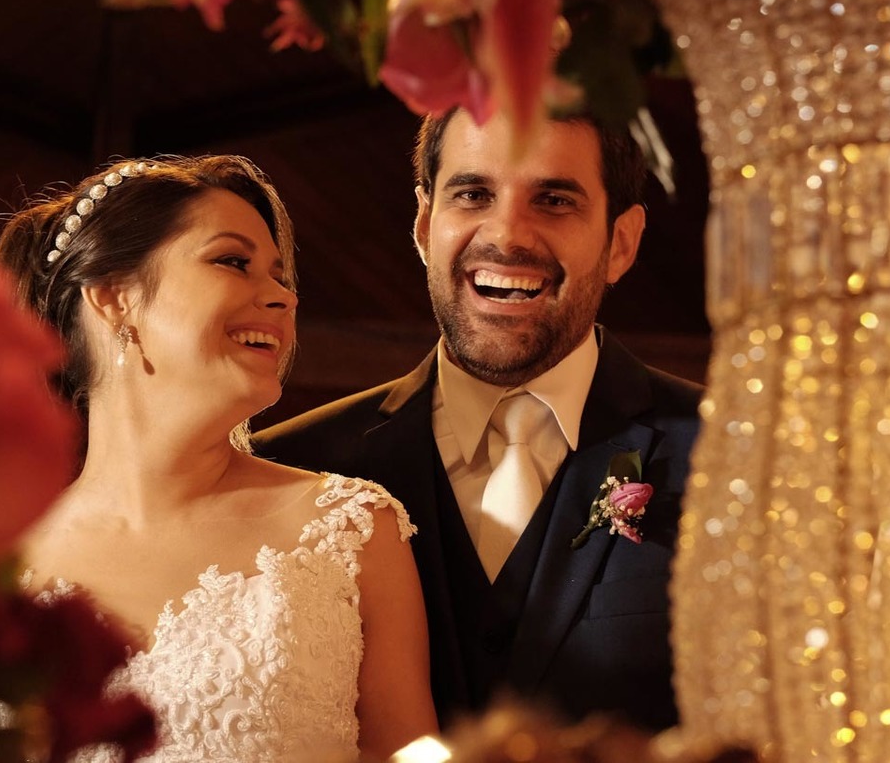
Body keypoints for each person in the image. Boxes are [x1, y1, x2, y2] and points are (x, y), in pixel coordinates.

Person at [252, 109, 702, 732]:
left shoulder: (734, 456)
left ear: (620, 242)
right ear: (424, 223)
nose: (508, 234)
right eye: (473, 194)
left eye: (553, 199)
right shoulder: (287, 468)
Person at [0, 155, 437, 761]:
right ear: (114, 297)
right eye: (234, 262)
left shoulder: (349, 532)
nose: (282, 297)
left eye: (282, 278)